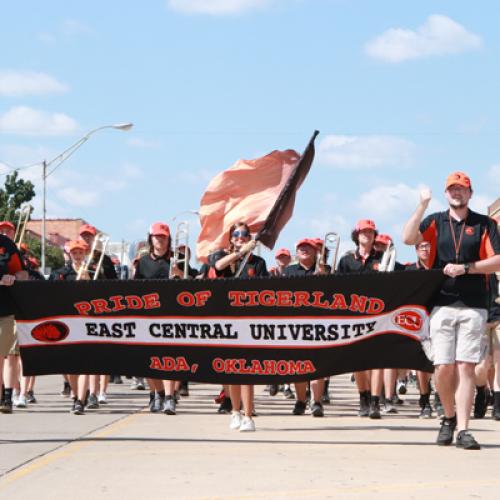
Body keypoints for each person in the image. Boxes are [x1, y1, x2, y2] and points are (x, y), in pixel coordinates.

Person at [402, 171, 500, 450]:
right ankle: (448, 415)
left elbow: (498, 260)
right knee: (443, 367)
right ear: (446, 194)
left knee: (466, 367)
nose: (457, 193)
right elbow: (408, 238)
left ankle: (464, 429)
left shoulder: (484, 224)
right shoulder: (435, 221)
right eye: (452, 189)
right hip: (441, 302)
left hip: (473, 304)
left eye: (462, 189)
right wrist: (421, 205)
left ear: (470, 193)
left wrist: (467, 268)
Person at [211, 222, 268, 432]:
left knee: (247, 373)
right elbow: (218, 267)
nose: (240, 237)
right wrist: (239, 253)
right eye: (236, 234)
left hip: (249, 321)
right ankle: (234, 411)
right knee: (231, 371)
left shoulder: (258, 262)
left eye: (244, 234)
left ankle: (248, 415)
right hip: (226, 321)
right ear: (230, 238)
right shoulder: (219, 256)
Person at [134, 222, 184, 415]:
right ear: (151, 239)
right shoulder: (143, 261)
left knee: (169, 359)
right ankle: (158, 393)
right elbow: (133, 289)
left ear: (168, 239)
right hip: (149, 316)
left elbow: (196, 283)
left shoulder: (178, 259)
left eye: (163, 236)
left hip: (173, 314)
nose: (160, 240)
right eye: (156, 236)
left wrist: (180, 275)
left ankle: (170, 398)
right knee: (149, 360)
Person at [337, 219, 385, 419]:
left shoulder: (384, 258)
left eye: (371, 231)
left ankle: (375, 402)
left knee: (378, 360)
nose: (367, 234)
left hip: (380, 315)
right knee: (358, 362)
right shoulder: (346, 260)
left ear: (375, 235)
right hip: (354, 316)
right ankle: (363, 398)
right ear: (356, 235)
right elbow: (338, 288)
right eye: (363, 231)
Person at [283, 238, 328, 417]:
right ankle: (301, 400)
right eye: (301, 247)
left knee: (319, 364)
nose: (304, 250)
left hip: (319, 322)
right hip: (296, 322)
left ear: (316, 251)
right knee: (298, 365)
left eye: (308, 247)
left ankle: (316, 402)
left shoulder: (326, 269)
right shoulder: (289, 271)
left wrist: (324, 276)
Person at [405, 241, 434, 418]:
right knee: (422, 365)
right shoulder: (410, 272)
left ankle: (438, 397)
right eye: (422, 246)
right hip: (418, 321)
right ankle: (425, 399)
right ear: (416, 250)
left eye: (428, 246)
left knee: (441, 364)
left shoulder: (442, 267)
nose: (425, 249)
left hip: (439, 318)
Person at [0, 227, 28, 414]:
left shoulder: (6, 244)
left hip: (6, 310)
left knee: (10, 355)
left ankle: (8, 397)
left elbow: (23, 274)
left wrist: (13, 277)